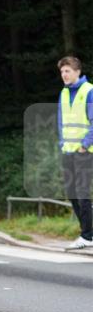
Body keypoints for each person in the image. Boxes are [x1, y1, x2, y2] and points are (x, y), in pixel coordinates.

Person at [58, 56, 93, 250]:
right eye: (62, 71)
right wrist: (62, 143)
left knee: (82, 193)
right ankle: (89, 232)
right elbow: (61, 122)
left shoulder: (89, 91)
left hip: (84, 152)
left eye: (68, 71)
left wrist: (84, 146)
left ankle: (87, 236)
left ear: (78, 72)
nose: (64, 74)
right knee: (73, 194)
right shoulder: (64, 93)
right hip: (68, 151)